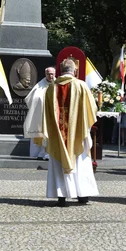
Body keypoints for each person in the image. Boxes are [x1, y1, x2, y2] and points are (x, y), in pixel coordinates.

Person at [43, 59, 98, 206]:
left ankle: (61, 196)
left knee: (59, 161)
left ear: (61, 70)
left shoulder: (51, 88)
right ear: (74, 71)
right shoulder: (81, 85)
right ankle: (82, 195)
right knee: (81, 163)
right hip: (77, 134)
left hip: (57, 135)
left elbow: (46, 113)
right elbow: (92, 109)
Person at [24, 66, 56, 159]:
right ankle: (41, 153)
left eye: (52, 74)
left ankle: (50, 153)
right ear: (45, 74)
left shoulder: (58, 84)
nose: (50, 76)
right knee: (41, 134)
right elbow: (31, 99)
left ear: (55, 74)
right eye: (48, 74)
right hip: (41, 115)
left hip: (53, 116)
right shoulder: (39, 85)